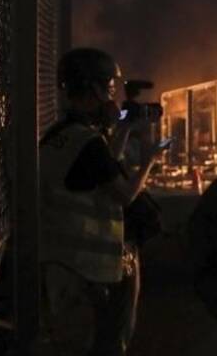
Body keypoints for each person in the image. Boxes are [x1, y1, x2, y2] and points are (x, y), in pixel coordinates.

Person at [36, 48, 163, 356]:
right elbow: (124, 194)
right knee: (102, 345)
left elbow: (99, 167)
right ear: (91, 88)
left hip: (62, 263)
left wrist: (124, 129)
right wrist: (149, 159)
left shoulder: (61, 134)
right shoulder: (88, 143)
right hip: (89, 271)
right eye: (108, 87)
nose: (112, 97)